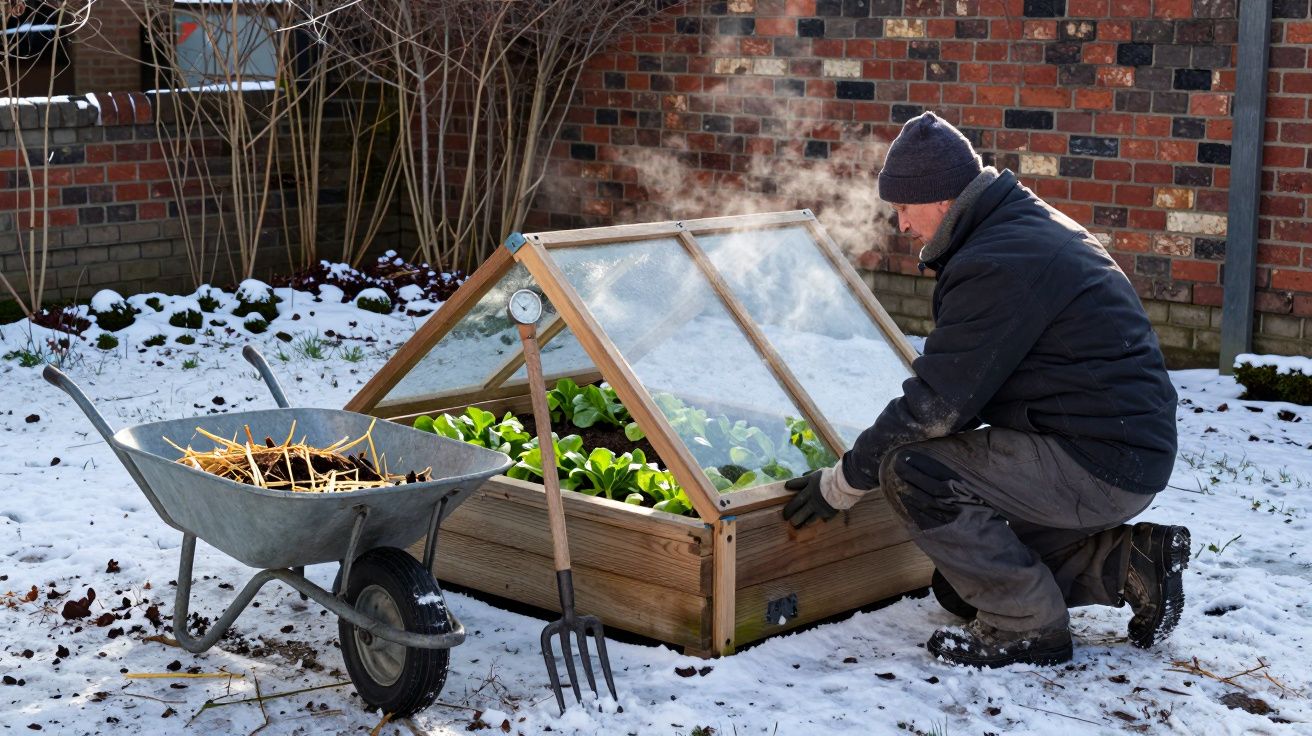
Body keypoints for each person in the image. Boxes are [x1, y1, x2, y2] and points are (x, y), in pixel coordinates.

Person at [783, 111, 1189, 669]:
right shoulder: (1017, 227)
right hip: (1121, 450)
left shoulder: (1000, 261)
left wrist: (843, 482)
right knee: (958, 587)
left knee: (912, 472)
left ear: (941, 197)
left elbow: (936, 408)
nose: (901, 225)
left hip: (1096, 460)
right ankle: (1130, 565)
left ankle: (1026, 628)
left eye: (904, 208)